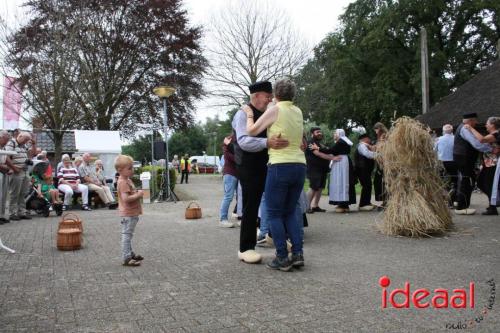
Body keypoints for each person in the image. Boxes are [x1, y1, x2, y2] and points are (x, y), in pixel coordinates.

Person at [243, 78, 305, 271]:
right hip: (300, 165)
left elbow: (252, 131)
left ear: (276, 94)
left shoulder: (275, 110)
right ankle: (297, 254)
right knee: (289, 212)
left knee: (274, 213)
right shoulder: (298, 111)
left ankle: (281, 257)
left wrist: (248, 114)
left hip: (280, 165)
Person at [232, 80, 289, 264]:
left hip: (268, 163)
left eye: (271, 95)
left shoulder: (267, 112)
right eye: (267, 96)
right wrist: (267, 143)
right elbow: (244, 141)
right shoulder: (242, 115)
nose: (270, 98)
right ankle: (245, 248)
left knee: (274, 202)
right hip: (248, 166)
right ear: (256, 96)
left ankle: (274, 236)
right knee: (251, 205)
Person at [453, 113, 493, 215]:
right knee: (467, 180)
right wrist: (491, 149)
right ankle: (462, 207)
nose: (476, 123)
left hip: (462, 157)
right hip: (464, 158)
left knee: (466, 179)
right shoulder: (466, 129)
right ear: (471, 120)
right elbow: (476, 144)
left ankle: (460, 202)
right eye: (475, 121)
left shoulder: (461, 127)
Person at [463, 117, 500, 215]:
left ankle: (493, 205)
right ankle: (493, 204)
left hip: (494, 164)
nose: (485, 125)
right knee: (482, 183)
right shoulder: (493, 134)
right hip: (488, 163)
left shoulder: (496, 134)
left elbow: (482, 140)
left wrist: (471, 129)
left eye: (487, 123)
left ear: (492, 125)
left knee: (487, 184)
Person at [115, 154, 144, 267]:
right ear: (120, 170)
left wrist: (136, 193)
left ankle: (130, 254)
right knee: (126, 235)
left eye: (132, 167)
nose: (132, 170)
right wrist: (139, 194)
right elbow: (126, 199)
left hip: (131, 213)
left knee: (129, 235)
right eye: (129, 168)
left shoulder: (127, 180)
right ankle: (126, 257)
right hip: (128, 213)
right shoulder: (123, 182)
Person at [5, 131, 37, 221]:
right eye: (25, 139)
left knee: (23, 193)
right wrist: (14, 168)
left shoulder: (24, 145)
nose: (26, 141)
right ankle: (12, 213)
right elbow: (6, 157)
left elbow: (33, 154)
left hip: (25, 171)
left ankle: (22, 212)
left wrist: (34, 144)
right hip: (16, 171)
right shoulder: (11, 143)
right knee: (15, 193)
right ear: (20, 136)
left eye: (28, 140)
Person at [326, 129, 356, 213]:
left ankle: (342, 203)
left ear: (339, 134)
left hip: (341, 162)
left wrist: (318, 148)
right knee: (344, 181)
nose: (334, 134)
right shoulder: (343, 142)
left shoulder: (340, 142)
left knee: (341, 181)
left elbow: (331, 151)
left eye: (335, 133)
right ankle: (344, 204)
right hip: (343, 161)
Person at [305, 127, 330, 213]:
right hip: (313, 168)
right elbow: (318, 154)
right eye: (317, 132)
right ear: (312, 134)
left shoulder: (320, 143)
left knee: (320, 187)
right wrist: (333, 157)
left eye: (320, 132)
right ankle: (306, 207)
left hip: (322, 169)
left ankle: (315, 206)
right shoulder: (310, 142)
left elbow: (326, 151)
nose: (320, 133)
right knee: (313, 187)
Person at [434, 124, 457, 206]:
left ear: (443, 131)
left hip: (442, 162)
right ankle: (452, 200)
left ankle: (444, 199)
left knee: (442, 181)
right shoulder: (456, 139)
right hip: (453, 162)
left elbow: (434, 150)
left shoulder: (439, 139)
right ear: (452, 131)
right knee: (454, 181)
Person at [219, 134, 238, 228]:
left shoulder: (239, 137)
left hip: (238, 174)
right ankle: (223, 219)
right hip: (230, 173)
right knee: (228, 196)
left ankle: (240, 218)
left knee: (240, 197)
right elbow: (232, 157)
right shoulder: (228, 140)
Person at [354, 133, 376, 211]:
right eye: (368, 138)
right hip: (362, 169)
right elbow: (367, 154)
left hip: (364, 169)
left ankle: (366, 202)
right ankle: (363, 204)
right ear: (365, 139)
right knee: (367, 185)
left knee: (368, 185)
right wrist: (379, 155)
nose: (370, 140)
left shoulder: (364, 145)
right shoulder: (362, 146)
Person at [0, 130, 15, 224]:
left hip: (4, 173)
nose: (6, 141)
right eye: (5, 139)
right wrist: (4, 167)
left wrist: (10, 168)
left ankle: (1, 215)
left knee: (4, 195)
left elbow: (6, 160)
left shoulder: (4, 148)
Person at [373, 122, 388, 209]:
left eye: (376, 129)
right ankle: (384, 200)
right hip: (381, 162)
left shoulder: (384, 136)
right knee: (380, 181)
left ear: (379, 128)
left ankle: (386, 201)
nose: (375, 131)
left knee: (383, 181)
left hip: (384, 162)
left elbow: (381, 147)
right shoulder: (382, 137)